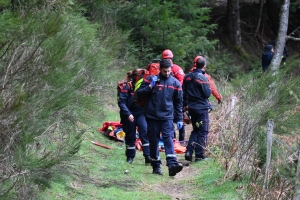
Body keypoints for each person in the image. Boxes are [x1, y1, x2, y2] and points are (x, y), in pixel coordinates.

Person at [136, 59, 184, 176]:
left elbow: (179, 102)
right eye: (164, 71)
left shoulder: (175, 83)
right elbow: (139, 94)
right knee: (154, 141)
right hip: (152, 116)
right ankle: (156, 166)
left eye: (168, 71)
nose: (167, 73)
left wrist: (179, 119)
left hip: (167, 116)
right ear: (160, 70)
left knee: (168, 138)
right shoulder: (150, 80)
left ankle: (172, 164)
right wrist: (150, 86)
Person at [118, 69, 151, 165]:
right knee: (131, 135)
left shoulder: (144, 86)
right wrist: (128, 114)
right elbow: (121, 102)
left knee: (144, 131)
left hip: (141, 112)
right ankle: (130, 157)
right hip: (129, 113)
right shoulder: (128, 86)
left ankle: (148, 156)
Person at [183, 56, 212, 162]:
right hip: (201, 108)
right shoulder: (203, 78)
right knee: (203, 131)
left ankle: (189, 151)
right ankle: (199, 155)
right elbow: (207, 94)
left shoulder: (187, 77)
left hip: (191, 108)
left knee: (196, 129)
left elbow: (183, 92)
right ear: (204, 66)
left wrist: (184, 106)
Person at [161, 49, 186, 142]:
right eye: (166, 58)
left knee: (180, 117)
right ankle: (173, 139)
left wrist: (173, 89)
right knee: (170, 119)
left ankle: (182, 140)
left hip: (176, 96)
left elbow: (181, 81)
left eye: (169, 58)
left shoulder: (176, 69)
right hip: (167, 97)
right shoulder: (164, 68)